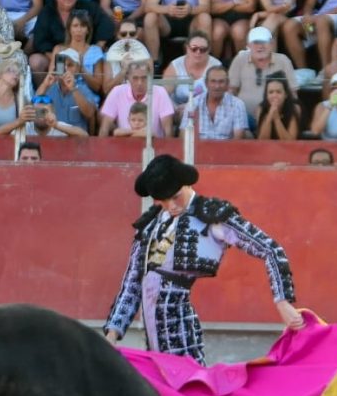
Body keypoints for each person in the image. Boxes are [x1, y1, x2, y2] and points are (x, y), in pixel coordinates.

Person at [104, 153, 302, 364]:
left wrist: (283, 302)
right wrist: (113, 332)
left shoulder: (211, 215)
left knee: (189, 386)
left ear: (187, 185)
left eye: (176, 196)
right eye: (162, 201)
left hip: (180, 328)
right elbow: (133, 280)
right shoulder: (151, 223)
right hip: (152, 334)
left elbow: (271, 249)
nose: (171, 206)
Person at [31, 0, 113, 80]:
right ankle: (45, 95)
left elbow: (107, 26)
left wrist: (95, 50)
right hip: (57, 57)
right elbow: (40, 42)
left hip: (87, 57)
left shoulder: (89, 7)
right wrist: (66, 61)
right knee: (35, 61)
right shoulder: (47, 12)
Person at [227, 26, 297, 125]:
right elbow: (231, 91)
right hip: (245, 118)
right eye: (256, 43)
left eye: (264, 42)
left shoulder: (283, 60)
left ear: (272, 44)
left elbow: (293, 94)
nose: (260, 46)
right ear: (248, 45)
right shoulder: (240, 59)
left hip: (275, 117)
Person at [99, 60, 174, 137]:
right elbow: (105, 127)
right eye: (135, 78)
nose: (139, 83)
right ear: (128, 78)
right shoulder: (117, 91)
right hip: (123, 145)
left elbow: (168, 129)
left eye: (144, 78)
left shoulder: (160, 92)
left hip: (154, 145)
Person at [163, 31, 222, 121]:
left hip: (205, 111)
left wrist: (190, 107)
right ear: (187, 48)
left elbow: (217, 96)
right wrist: (175, 109)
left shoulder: (216, 66)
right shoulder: (175, 66)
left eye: (203, 49)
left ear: (209, 50)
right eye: (194, 48)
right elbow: (163, 94)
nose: (198, 52)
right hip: (177, 111)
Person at [34, 48, 97, 132]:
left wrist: (73, 89)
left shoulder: (83, 89)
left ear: (77, 69)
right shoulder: (48, 88)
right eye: (62, 65)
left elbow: (90, 114)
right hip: (53, 139)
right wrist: (45, 85)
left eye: (70, 65)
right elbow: (35, 112)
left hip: (75, 140)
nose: (65, 68)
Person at [181, 64, 249, 139]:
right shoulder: (193, 103)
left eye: (221, 82)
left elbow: (238, 139)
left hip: (226, 149)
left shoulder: (237, 105)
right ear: (206, 83)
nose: (217, 86)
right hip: (199, 149)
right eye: (213, 81)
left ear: (227, 84)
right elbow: (184, 134)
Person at [256, 73, 300, 139]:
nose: (274, 96)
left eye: (278, 92)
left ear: (285, 94)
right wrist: (270, 116)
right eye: (271, 92)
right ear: (266, 95)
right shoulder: (261, 108)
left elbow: (290, 143)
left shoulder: (294, 108)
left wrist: (276, 119)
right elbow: (262, 141)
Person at [24, 98, 89, 137]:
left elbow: (84, 135)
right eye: (37, 111)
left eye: (44, 112)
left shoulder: (59, 126)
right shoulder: (26, 127)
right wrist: (21, 120)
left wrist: (56, 125)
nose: (41, 116)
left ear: (53, 113)